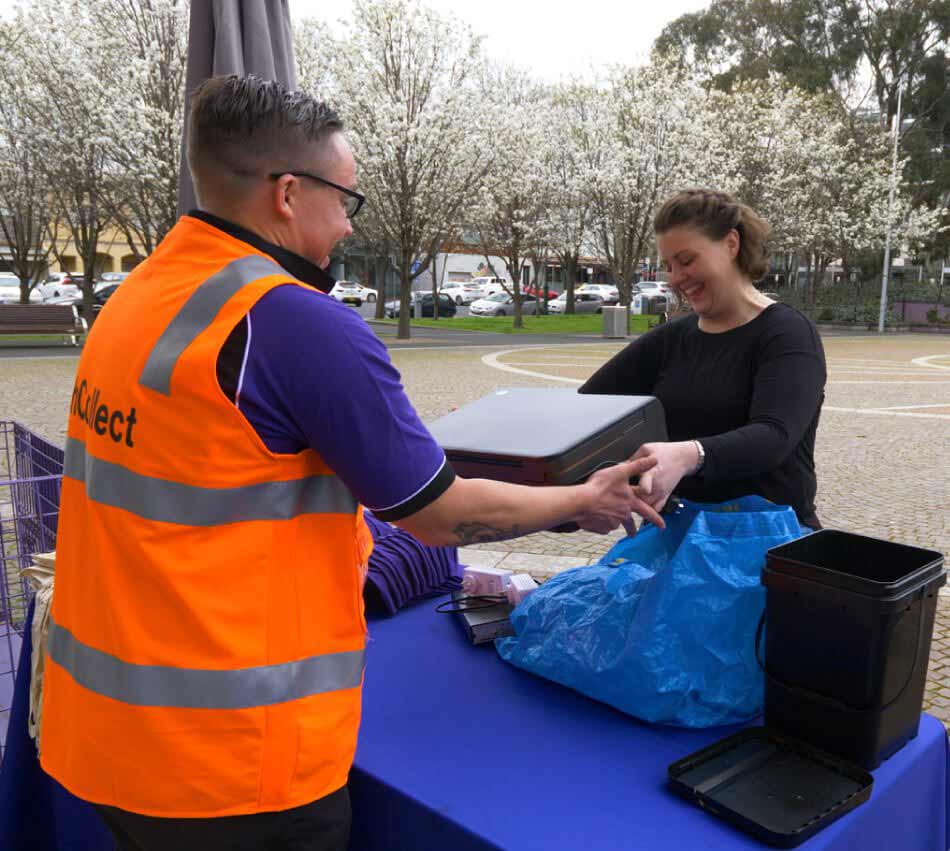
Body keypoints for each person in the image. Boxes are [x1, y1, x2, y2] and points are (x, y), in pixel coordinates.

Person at [39, 75, 663, 851]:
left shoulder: (139, 296)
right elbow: (438, 514)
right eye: (346, 198)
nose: (346, 224)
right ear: (289, 194)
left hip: (108, 734)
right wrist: (580, 498)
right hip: (232, 763)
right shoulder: (292, 323)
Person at [580, 189, 826, 530]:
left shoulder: (788, 334)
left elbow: (774, 436)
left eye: (686, 260)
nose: (675, 277)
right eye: (668, 266)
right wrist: (578, 495)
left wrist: (688, 455)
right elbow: (589, 409)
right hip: (677, 533)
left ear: (731, 244)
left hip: (767, 539)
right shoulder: (671, 339)